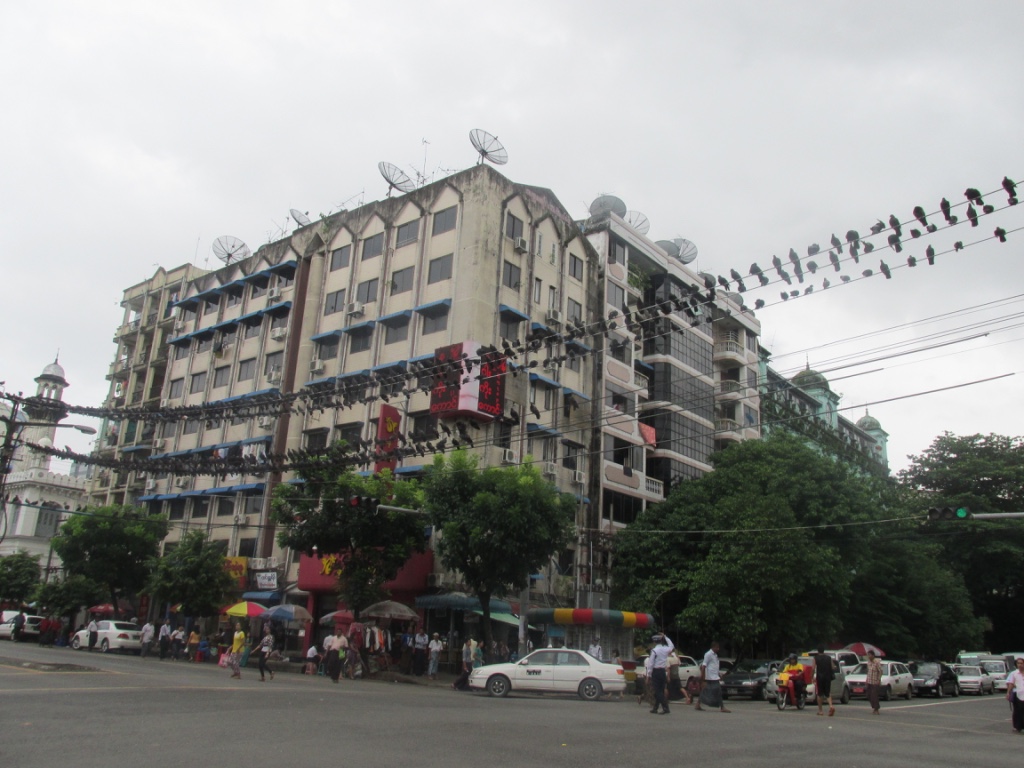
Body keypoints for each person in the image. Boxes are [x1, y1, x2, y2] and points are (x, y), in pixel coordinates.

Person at [694, 640, 730, 713]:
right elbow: (704, 666)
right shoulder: (708, 654)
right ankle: (722, 707)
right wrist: (702, 677)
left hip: (714, 676)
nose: (718, 649)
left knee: (706, 690)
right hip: (710, 677)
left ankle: (698, 704)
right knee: (718, 691)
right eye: (717, 647)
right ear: (713, 647)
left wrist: (719, 674)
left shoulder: (715, 655)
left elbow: (714, 666)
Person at [647, 633, 674, 714]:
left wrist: (648, 675)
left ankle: (665, 708)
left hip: (656, 671)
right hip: (662, 671)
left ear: (654, 642)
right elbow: (672, 646)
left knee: (658, 691)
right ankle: (655, 707)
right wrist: (665, 637)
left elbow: (650, 664)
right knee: (660, 690)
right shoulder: (665, 649)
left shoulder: (654, 651)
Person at [814, 647, 836, 716]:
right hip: (827, 677)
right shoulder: (828, 658)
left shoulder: (816, 658)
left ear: (818, 651)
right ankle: (831, 706)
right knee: (827, 693)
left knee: (819, 694)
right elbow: (833, 667)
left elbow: (813, 668)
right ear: (824, 651)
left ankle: (820, 711)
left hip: (819, 678)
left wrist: (811, 677)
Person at [1007, 657, 1024, 732]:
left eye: (1021, 663)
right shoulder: (1014, 674)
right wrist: (1008, 692)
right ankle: (1018, 727)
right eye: (1018, 663)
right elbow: (1011, 683)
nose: (1020, 665)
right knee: (1019, 711)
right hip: (1019, 695)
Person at [865, 650, 883, 715]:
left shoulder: (877, 662)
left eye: (870, 655)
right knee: (868, 695)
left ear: (873, 655)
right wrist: (866, 680)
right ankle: (874, 706)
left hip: (875, 682)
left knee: (874, 695)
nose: (869, 656)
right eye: (868, 655)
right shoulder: (868, 663)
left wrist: (878, 680)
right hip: (869, 681)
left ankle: (876, 709)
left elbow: (880, 671)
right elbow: (868, 672)